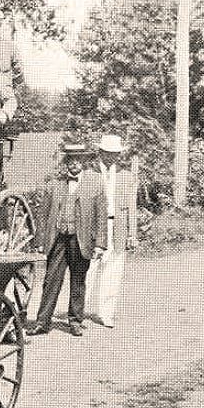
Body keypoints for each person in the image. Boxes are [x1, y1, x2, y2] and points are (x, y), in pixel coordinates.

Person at [28, 143, 108, 337]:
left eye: (77, 160)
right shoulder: (55, 183)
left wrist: (100, 244)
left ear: (84, 162)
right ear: (65, 163)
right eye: (70, 161)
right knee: (50, 280)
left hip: (82, 240)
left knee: (78, 280)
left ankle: (75, 321)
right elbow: (43, 214)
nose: (74, 164)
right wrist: (40, 240)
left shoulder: (96, 182)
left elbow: (101, 216)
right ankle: (42, 322)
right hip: (58, 239)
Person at [85, 134, 137, 328]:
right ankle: (78, 311)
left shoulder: (126, 176)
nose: (110, 157)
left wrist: (132, 234)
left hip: (118, 227)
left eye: (114, 154)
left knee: (113, 271)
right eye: (107, 153)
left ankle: (106, 313)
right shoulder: (89, 173)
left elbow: (132, 207)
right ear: (100, 152)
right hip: (94, 228)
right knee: (88, 270)